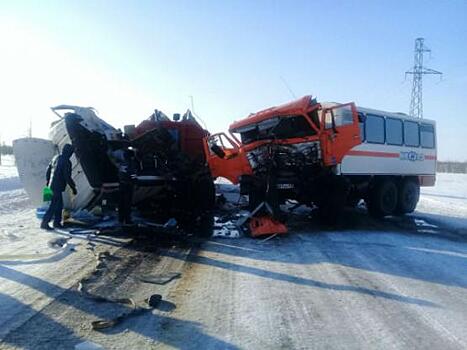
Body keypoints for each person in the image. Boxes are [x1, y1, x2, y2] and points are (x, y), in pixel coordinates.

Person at [41, 144, 77, 230]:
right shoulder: (66, 162)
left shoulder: (56, 157)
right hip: (57, 187)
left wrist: (48, 181)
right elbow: (67, 177)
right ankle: (44, 223)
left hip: (51, 185)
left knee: (59, 205)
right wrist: (73, 187)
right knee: (54, 205)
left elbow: (48, 170)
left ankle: (57, 223)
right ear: (69, 152)